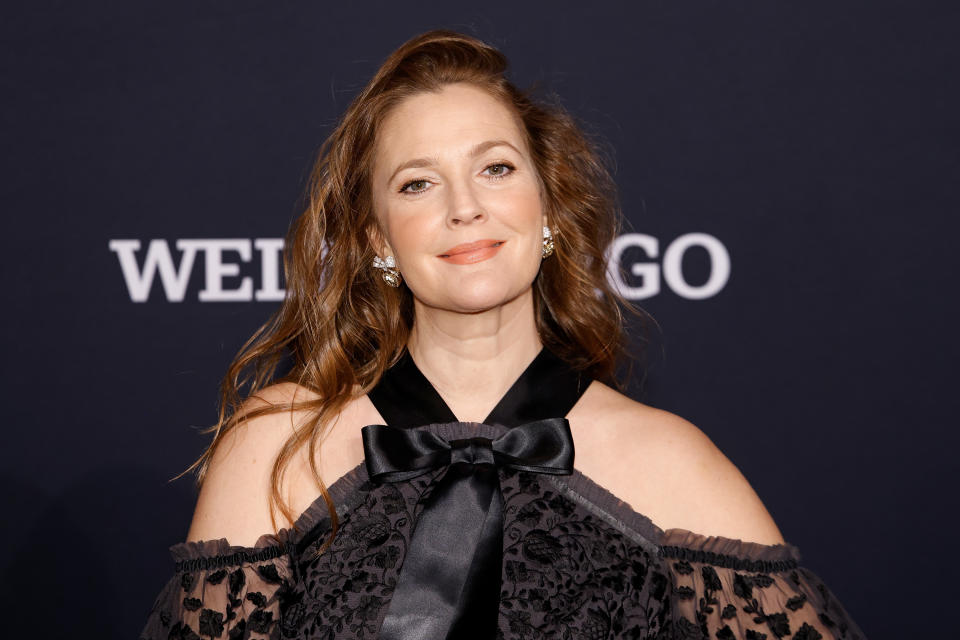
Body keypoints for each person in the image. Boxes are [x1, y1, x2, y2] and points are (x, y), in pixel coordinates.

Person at [140, 30, 866, 640]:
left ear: (546, 208)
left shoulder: (670, 463)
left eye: (495, 168)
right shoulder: (278, 443)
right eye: (418, 183)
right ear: (375, 241)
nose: (466, 208)